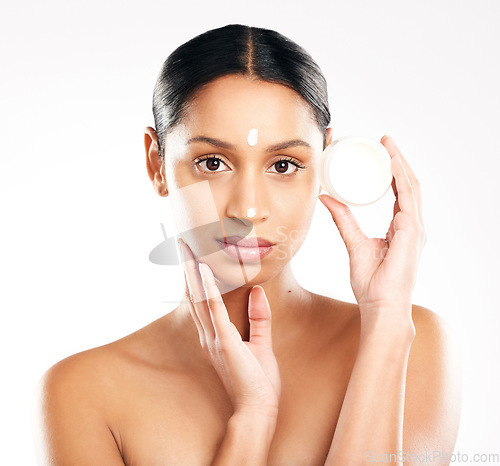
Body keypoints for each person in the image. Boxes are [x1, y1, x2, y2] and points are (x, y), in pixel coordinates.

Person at [33, 24, 461, 465]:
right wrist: (253, 419)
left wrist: (387, 320)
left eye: (284, 164)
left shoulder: (411, 343)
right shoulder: (82, 392)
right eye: (213, 162)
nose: (249, 209)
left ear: (324, 160)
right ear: (157, 164)